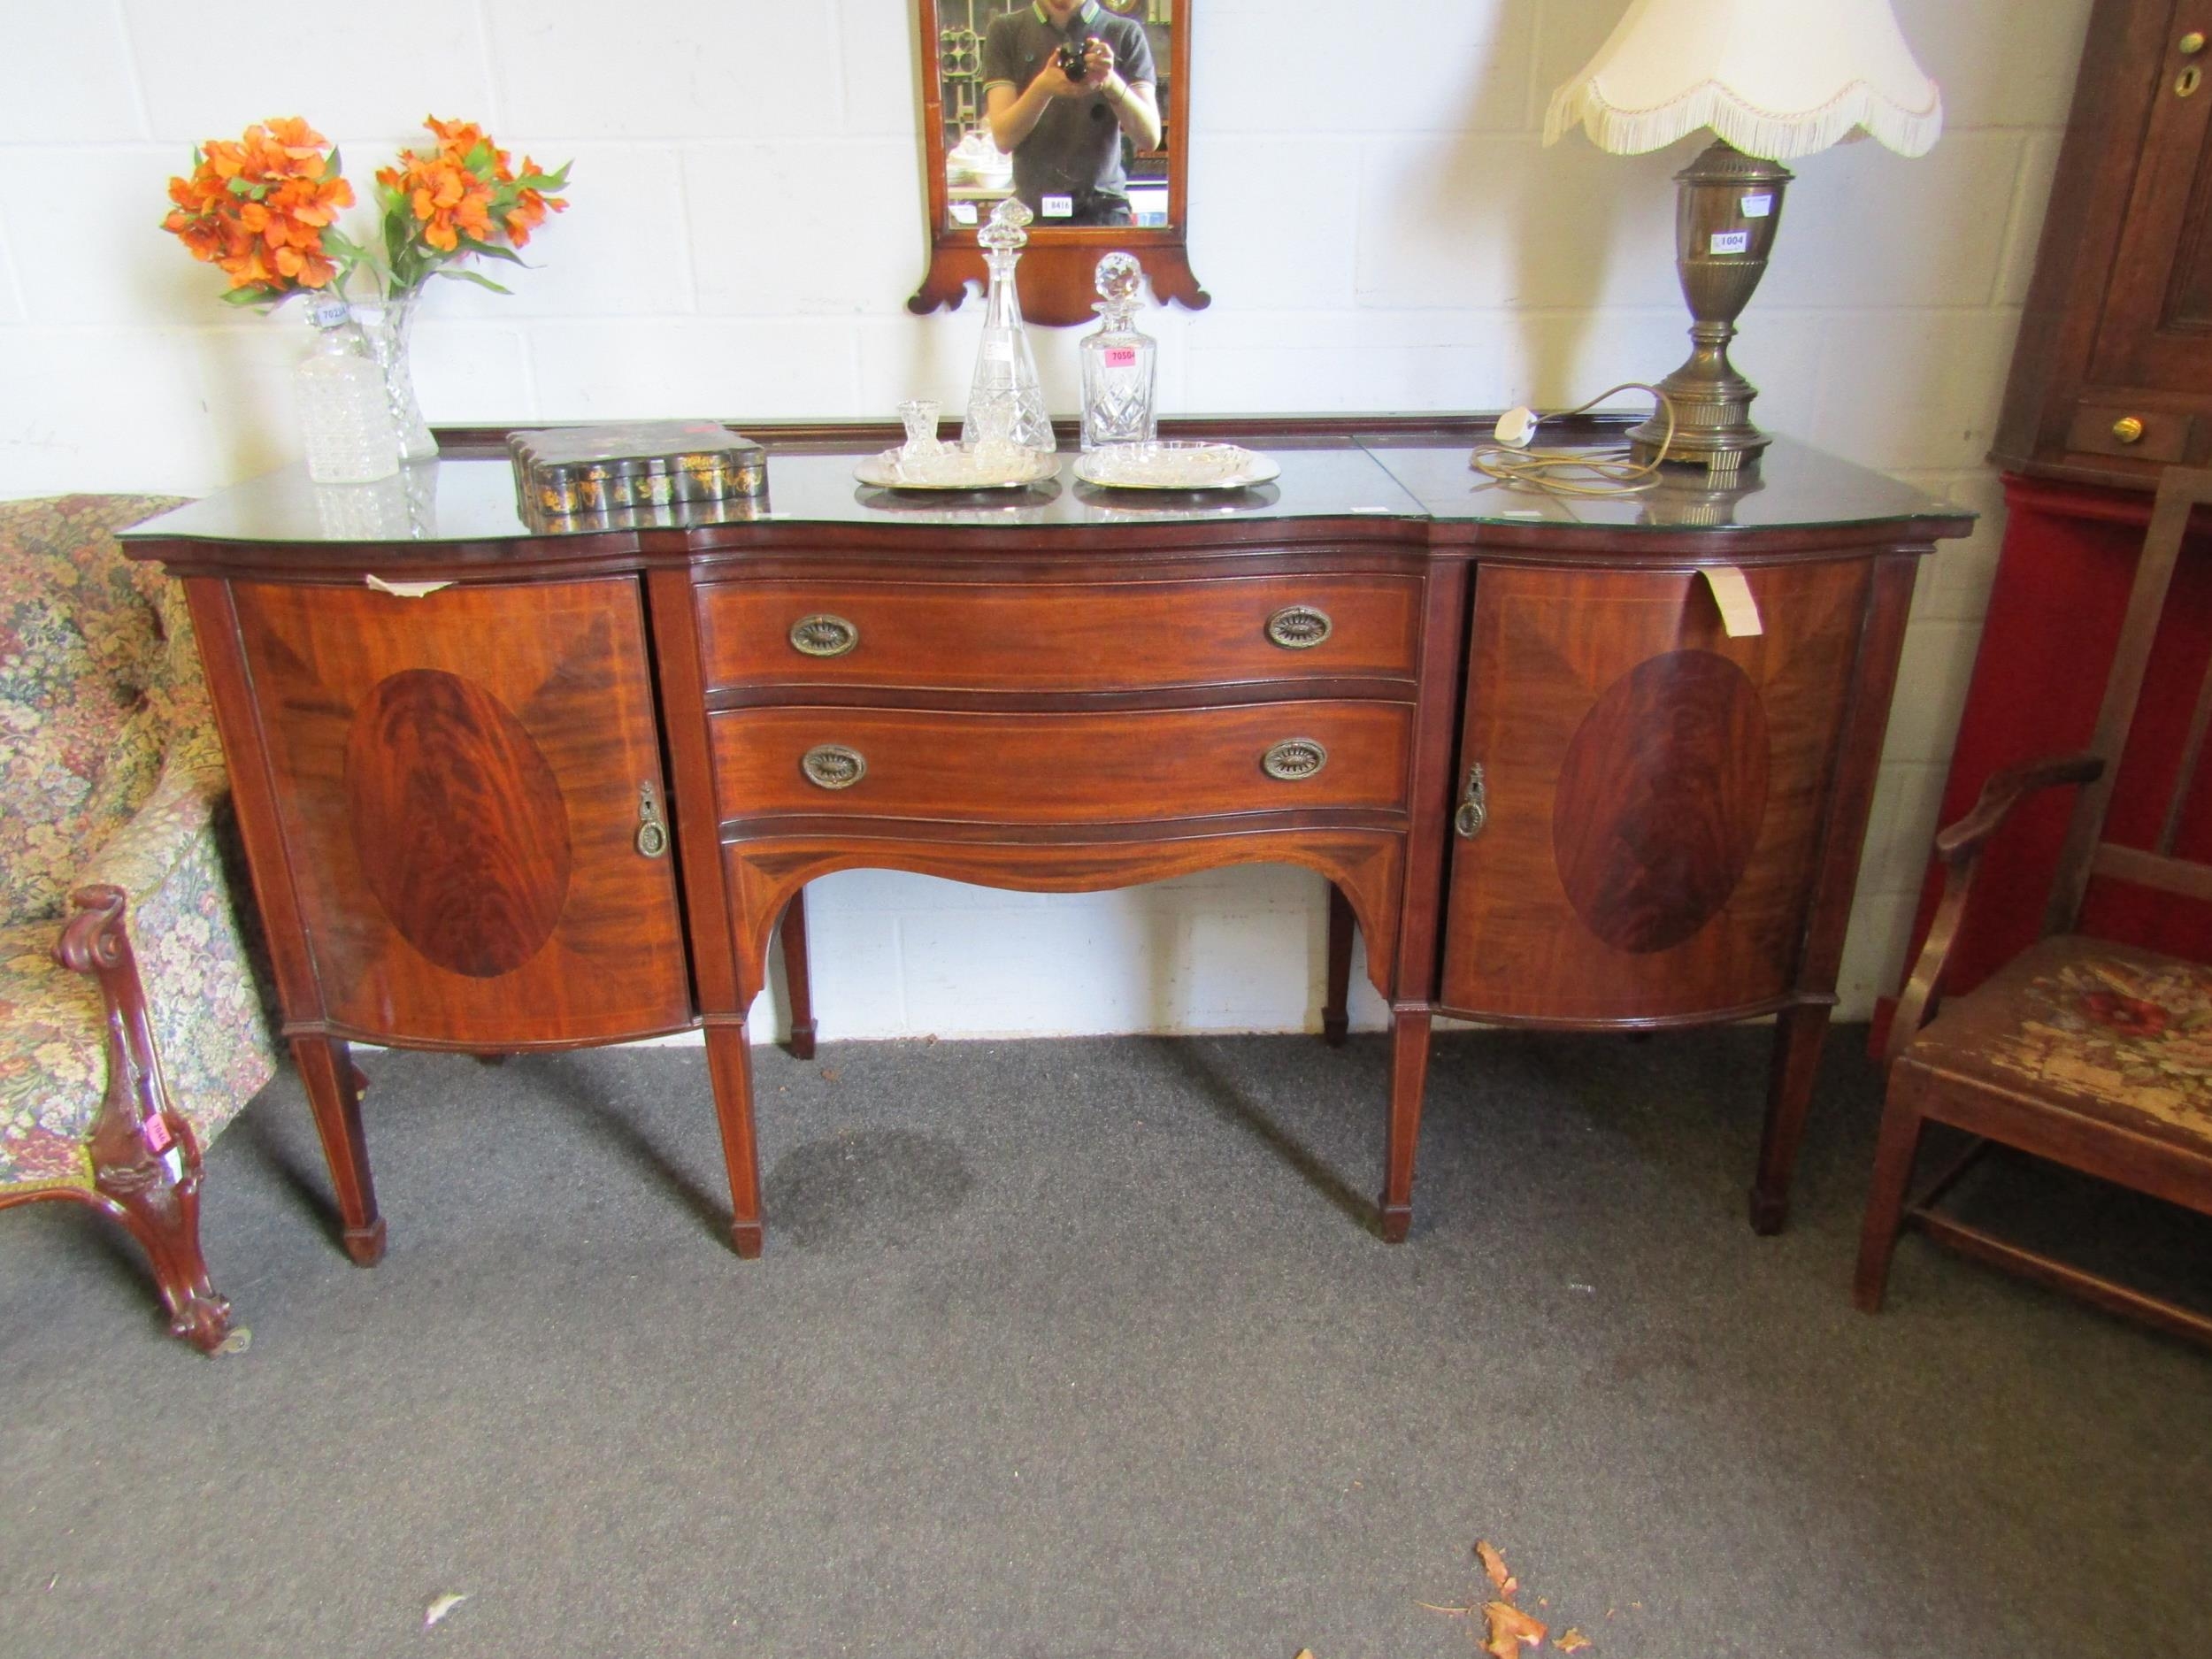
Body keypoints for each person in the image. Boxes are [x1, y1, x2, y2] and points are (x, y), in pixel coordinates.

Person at [981, 0, 1161, 227]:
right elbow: (1003, 138)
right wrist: (1042, 87)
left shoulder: (1124, 33)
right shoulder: (1005, 31)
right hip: (1032, 214)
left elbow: (1150, 137)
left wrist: (1111, 82)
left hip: (1104, 213)